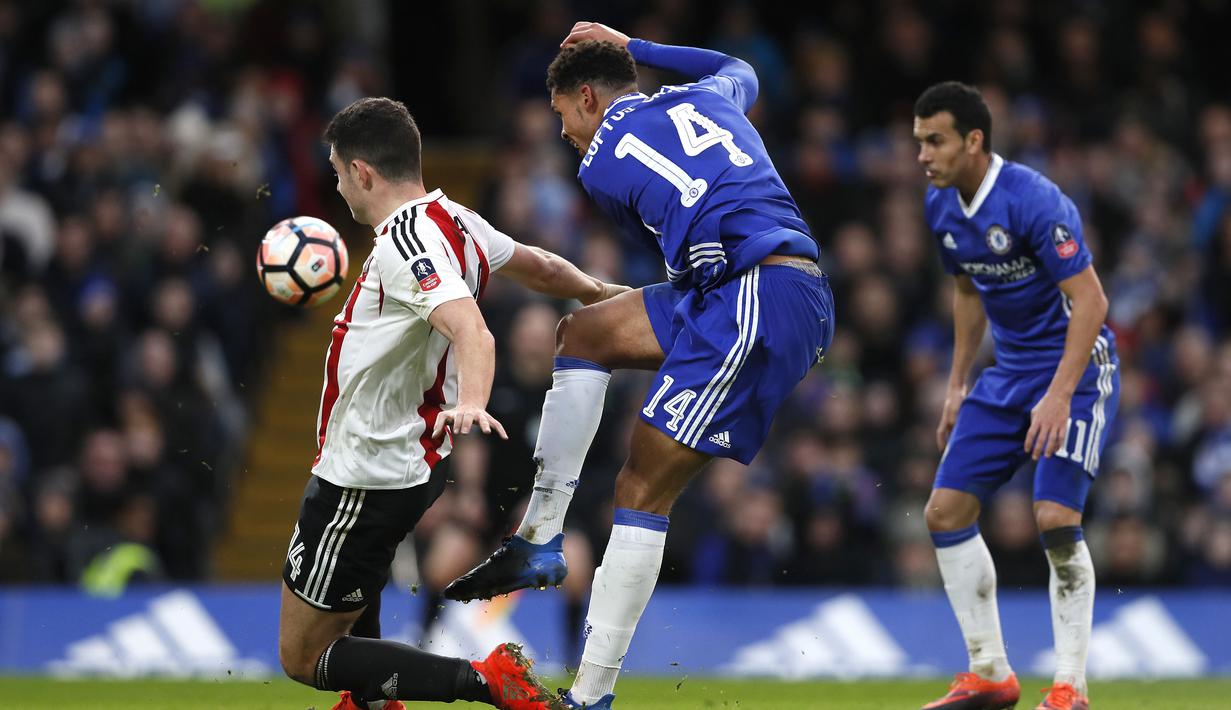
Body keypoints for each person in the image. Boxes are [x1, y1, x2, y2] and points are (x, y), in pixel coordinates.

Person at [445, 23, 835, 709]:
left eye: (565, 116)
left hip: (753, 293)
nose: (566, 134)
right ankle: (537, 538)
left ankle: (591, 695)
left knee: (639, 489)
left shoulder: (602, 162)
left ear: (588, 98)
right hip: (755, 283)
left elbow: (686, 207)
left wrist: (708, 253)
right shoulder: (711, 96)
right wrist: (638, 47)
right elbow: (738, 64)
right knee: (583, 333)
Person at [277, 96, 628, 710]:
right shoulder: (453, 219)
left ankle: (484, 679)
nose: (336, 187)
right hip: (401, 461)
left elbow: (471, 328)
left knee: (304, 656)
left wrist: (472, 400)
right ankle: (371, 701)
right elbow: (542, 267)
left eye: (336, 172)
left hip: (364, 470)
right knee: (356, 603)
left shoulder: (404, 244)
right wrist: (607, 293)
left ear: (363, 172)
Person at [912, 82, 1118, 710]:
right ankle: (990, 673)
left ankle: (1068, 689)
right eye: (919, 141)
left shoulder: (1033, 200)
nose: (923, 154)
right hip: (1008, 375)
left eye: (935, 140)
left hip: (1075, 371)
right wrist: (956, 385)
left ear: (974, 141)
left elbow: (1092, 301)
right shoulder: (941, 206)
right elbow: (969, 290)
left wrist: (1058, 396)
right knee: (944, 512)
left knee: (1055, 519)